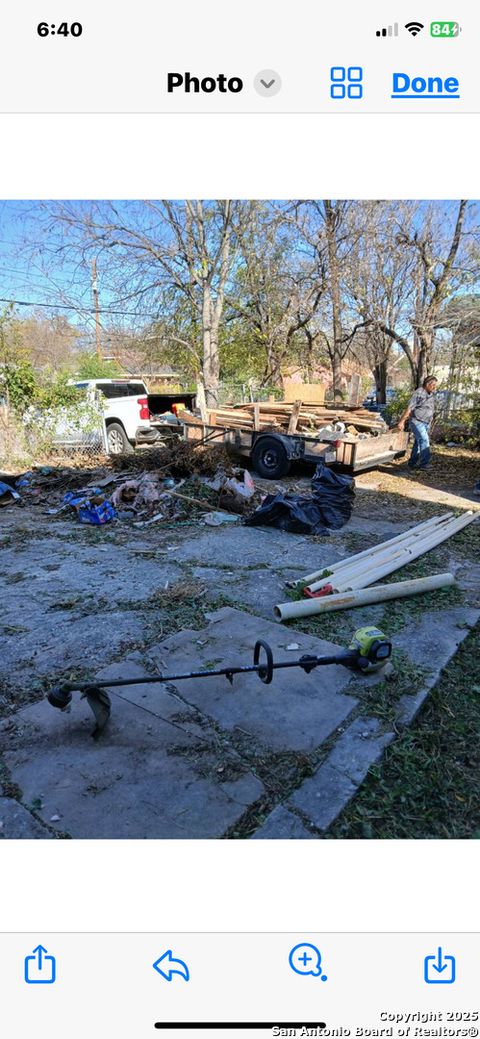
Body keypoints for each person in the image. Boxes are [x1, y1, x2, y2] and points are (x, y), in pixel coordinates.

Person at [397, 375, 438, 470]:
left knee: (418, 443)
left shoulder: (430, 394)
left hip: (426, 422)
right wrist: (401, 422)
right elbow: (409, 408)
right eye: (433, 385)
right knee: (424, 440)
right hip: (417, 421)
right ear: (428, 384)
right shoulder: (419, 393)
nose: (434, 387)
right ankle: (424, 464)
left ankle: (412, 463)